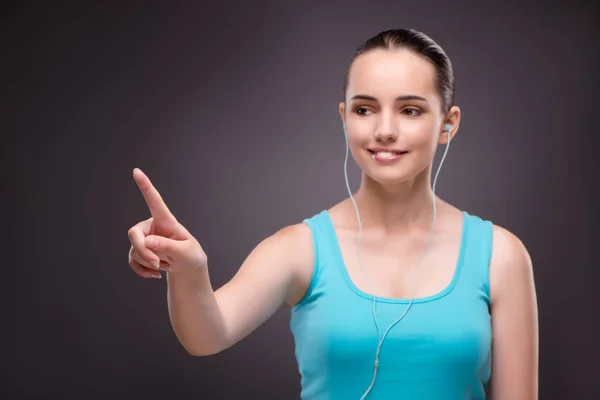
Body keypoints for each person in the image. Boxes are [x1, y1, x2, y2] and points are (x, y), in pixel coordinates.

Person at [127, 29, 538, 399]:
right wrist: (188, 269)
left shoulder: (500, 255)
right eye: (365, 109)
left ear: (448, 124)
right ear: (344, 118)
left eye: (410, 110)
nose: (384, 130)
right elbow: (205, 335)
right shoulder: (299, 248)